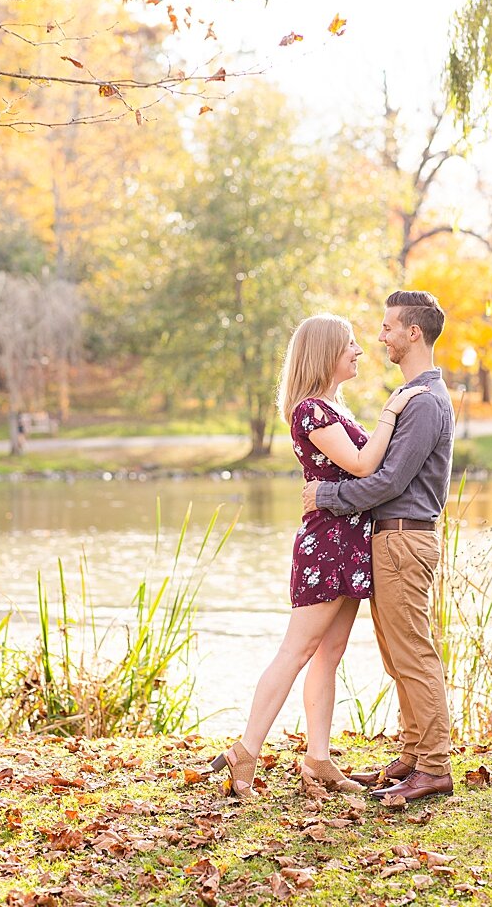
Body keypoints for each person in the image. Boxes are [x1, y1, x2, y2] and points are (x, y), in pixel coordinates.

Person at [209, 313, 428, 799]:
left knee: (329, 654)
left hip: (349, 544)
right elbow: (363, 463)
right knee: (297, 651)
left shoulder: (334, 407)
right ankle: (245, 752)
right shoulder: (311, 410)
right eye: (349, 344)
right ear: (327, 352)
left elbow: (361, 465)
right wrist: (394, 410)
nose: (358, 350)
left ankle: (319, 759)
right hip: (327, 545)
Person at [301, 290, 456, 803]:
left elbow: (387, 481)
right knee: (397, 655)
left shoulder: (425, 402)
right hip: (390, 541)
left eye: (389, 327)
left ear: (414, 333)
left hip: (405, 541)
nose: (381, 336)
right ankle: (414, 753)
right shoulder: (411, 398)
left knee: (413, 654)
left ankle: (434, 766)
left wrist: (325, 494)